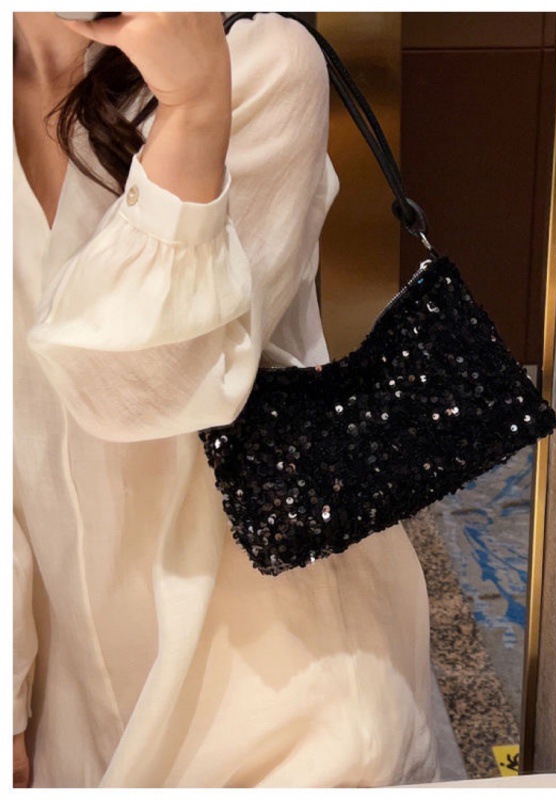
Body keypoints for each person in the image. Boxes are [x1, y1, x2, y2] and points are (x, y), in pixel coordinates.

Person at [12, 11, 442, 788]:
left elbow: (147, 391)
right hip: (72, 704)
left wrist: (195, 108)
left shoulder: (258, 58)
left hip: (277, 689)